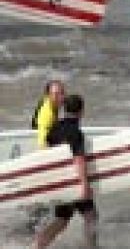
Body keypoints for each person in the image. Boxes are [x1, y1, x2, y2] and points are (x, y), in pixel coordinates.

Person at [32, 94, 94, 249]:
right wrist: (84, 186)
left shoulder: (54, 128)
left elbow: (48, 151)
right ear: (81, 112)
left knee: (62, 219)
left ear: (65, 110)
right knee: (90, 216)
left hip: (60, 180)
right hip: (74, 181)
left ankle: (39, 245)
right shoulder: (76, 132)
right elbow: (78, 159)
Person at [31, 80, 67, 148]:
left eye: (62, 93)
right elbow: (42, 140)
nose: (60, 97)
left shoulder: (51, 102)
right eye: (56, 94)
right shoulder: (47, 113)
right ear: (48, 95)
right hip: (42, 135)